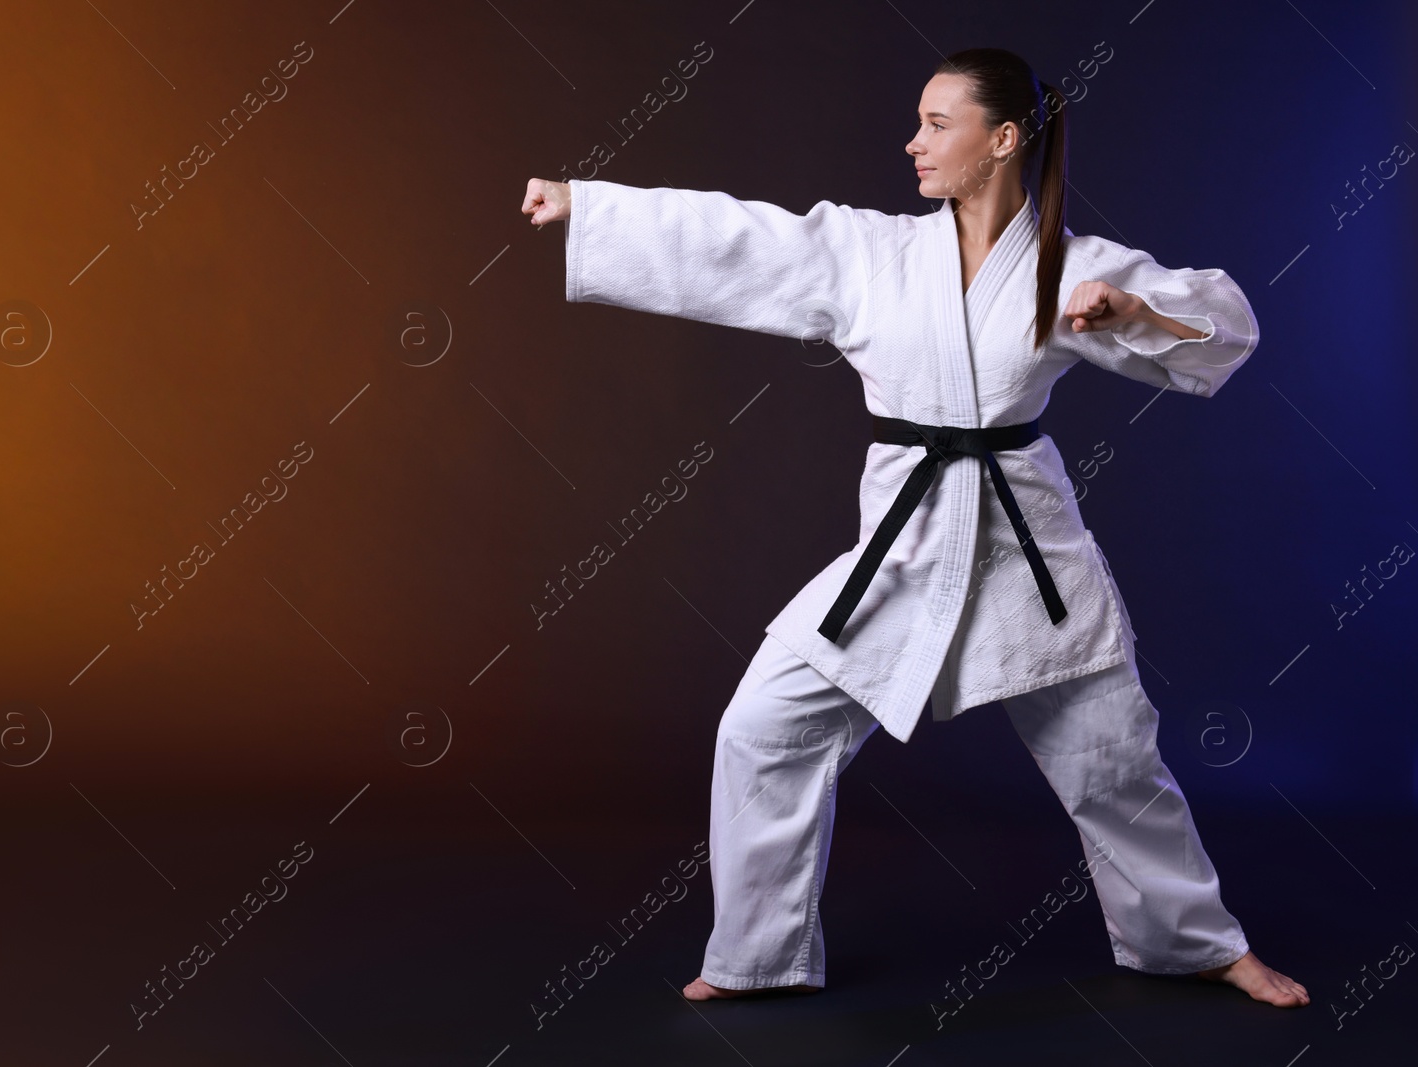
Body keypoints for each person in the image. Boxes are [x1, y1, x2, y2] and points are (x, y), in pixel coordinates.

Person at [520, 47, 1308, 1009]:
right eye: (919, 122)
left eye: (939, 124)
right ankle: (757, 956)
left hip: (1030, 560)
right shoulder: (873, 254)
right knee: (763, 729)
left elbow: (1224, 325)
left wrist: (1135, 311)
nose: (914, 141)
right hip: (900, 553)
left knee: (1115, 764)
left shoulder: (1076, 267)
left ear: (1004, 138)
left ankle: (1198, 945)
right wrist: (594, 210)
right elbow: (747, 241)